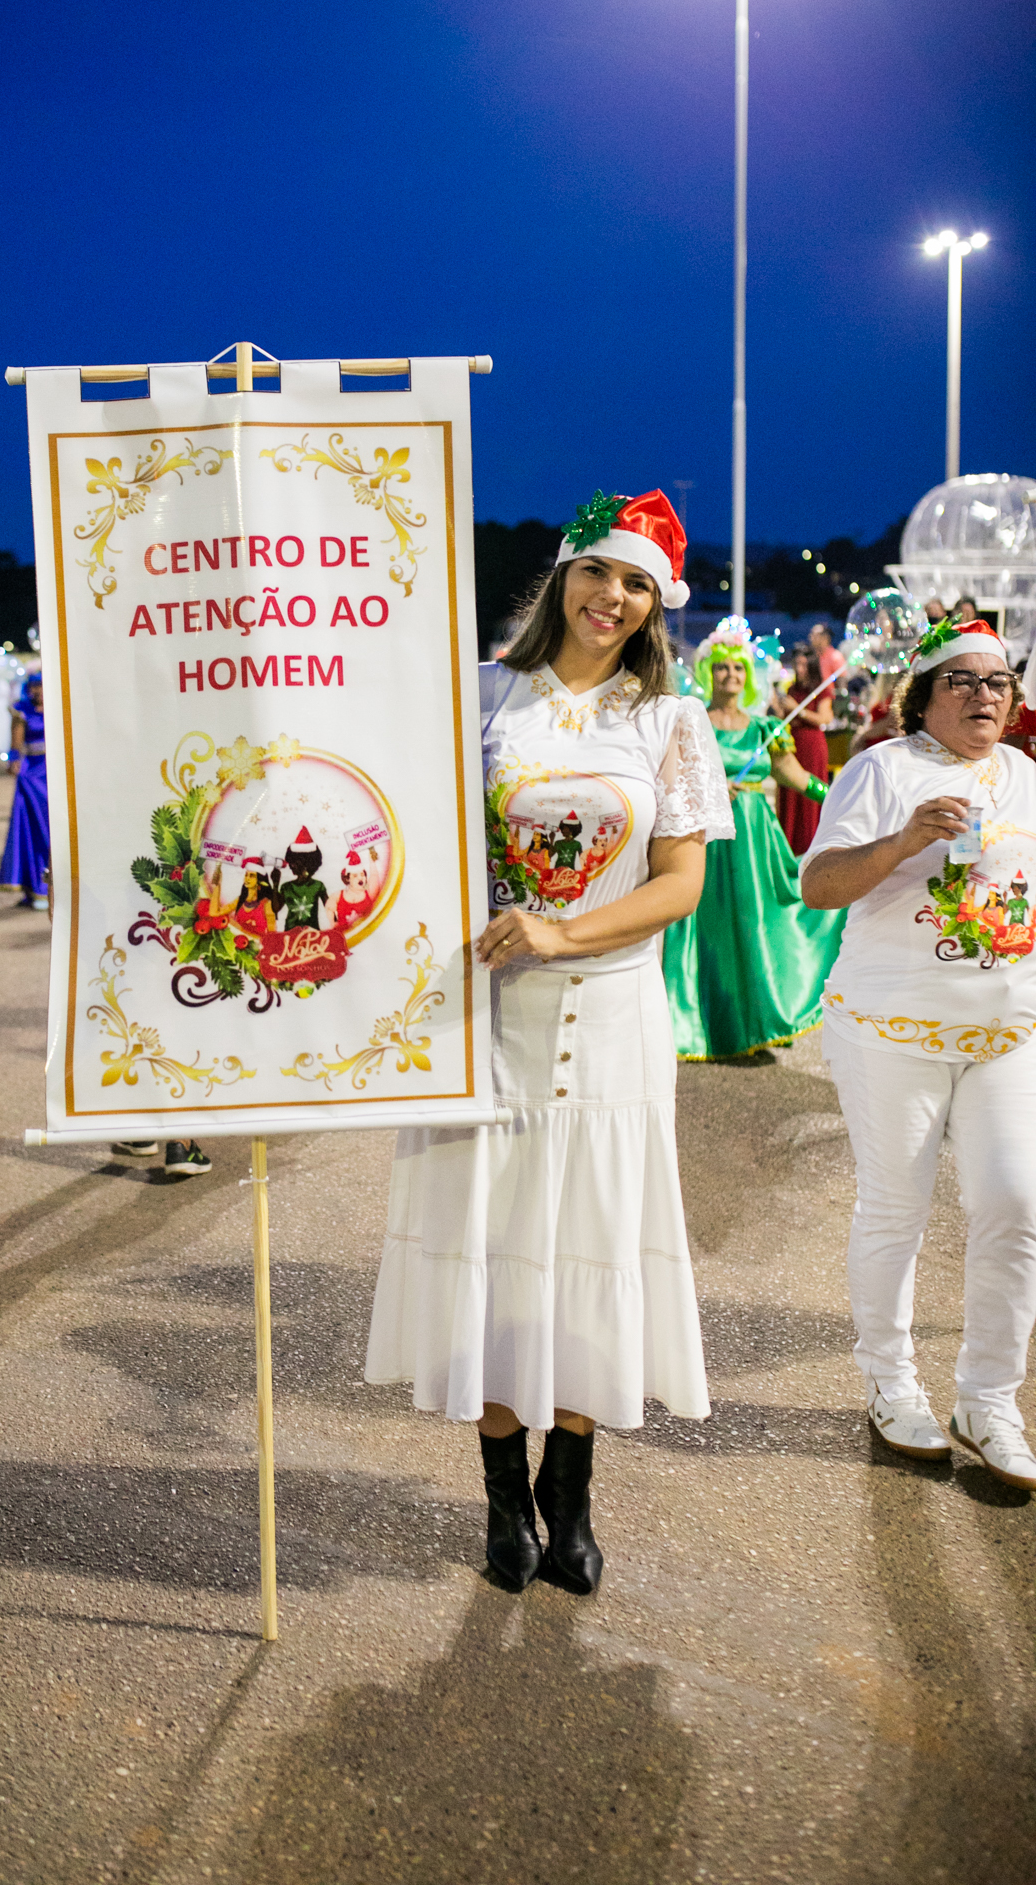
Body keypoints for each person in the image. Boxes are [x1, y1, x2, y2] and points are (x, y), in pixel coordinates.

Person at [365, 488, 733, 1594]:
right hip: (484, 1017)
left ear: (655, 603)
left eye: (636, 584)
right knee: (488, 1248)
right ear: (560, 576)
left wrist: (564, 927)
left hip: (613, 1018)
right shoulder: (479, 695)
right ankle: (501, 1500)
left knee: (588, 1253)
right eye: (596, 573)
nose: (611, 598)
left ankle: (568, 1494)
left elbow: (682, 883)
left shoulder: (669, 719)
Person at [801, 617, 1036, 1488]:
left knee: (1016, 1203)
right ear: (923, 697)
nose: (983, 693)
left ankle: (988, 1398)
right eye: (962, 680)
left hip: (1009, 1034)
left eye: (997, 681)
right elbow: (817, 886)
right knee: (895, 1209)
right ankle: (891, 1384)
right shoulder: (881, 769)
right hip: (891, 1027)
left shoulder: (1024, 778)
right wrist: (903, 839)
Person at [662, 618, 846, 1059]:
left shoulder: (767, 730)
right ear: (709, 671)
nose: (731, 676)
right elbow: (667, 776)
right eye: (723, 668)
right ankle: (700, 1025)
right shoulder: (689, 722)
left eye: (739, 669)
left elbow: (797, 778)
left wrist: (840, 794)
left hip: (755, 844)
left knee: (755, 928)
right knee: (705, 930)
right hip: (705, 840)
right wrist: (703, 788)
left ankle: (758, 1019)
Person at [0, 673, 51, 908]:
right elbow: (16, 745)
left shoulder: (57, 705)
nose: (38, 691)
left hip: (52, 773)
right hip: (32, 777)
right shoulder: (22, 711)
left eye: (41, 686)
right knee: (33, 828)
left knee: (53, 827)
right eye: (34, 687)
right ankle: (36, 887)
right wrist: (14, 760)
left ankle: (51, 885)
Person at [777, 645, 834, 855]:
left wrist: (797, 710)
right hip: (792, 745)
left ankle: (810, 846)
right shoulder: (791, 689)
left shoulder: (822, 688)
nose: (800, 669)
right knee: (791, 795)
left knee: (808, 796)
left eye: (803, 664)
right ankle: (789, 847)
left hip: (812, 746)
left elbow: (824, 719)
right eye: (796, 664)